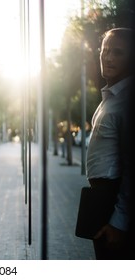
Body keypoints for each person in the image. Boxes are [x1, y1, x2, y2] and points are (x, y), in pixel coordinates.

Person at [86, 27, 134, 259]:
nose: (108, 57)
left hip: (114, 200)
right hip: (102, 198)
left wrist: (120, 221)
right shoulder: (111, 97)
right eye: (105, 50)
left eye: (118, 52)